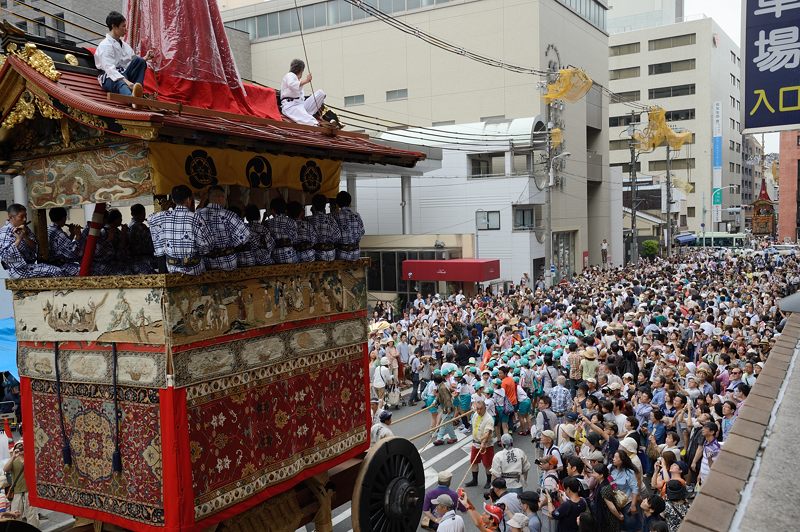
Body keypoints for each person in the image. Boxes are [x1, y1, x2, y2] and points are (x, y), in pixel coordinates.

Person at [94, 11, 153, 97]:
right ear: (114, 26)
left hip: (124, 74)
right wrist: (128, 82)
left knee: (140, 61)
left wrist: (145, 58)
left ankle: (137, 90)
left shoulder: (125, 46)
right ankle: (132, 98)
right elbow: (110, 70)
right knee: (120, 83)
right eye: (123, 26)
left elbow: (132, 62)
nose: (126, 29)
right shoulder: (105, 45)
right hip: (109, 78)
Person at [0, 204, 65, 278]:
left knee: (56, 269)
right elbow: (6, 256)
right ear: (11, 217)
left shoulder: (25, 228)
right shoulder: (4, 232)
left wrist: (25, 236)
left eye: (25, 216)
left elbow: (35, 247)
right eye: (21, 217)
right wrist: (18, 239)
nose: (24, 219)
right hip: (18, 270)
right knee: (56, 271)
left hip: (29, 266)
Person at [196, 186, 251, 271]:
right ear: (221, 198)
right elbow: (246, 235)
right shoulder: (229, 215)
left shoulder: (197, 215)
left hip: (205, 263)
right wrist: (231, 245)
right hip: (227, 263)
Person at [161, 185, 213, 275]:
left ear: (173, 200)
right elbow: (206, 245)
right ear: (189, 200)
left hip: (172, 268)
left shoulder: (162, 218)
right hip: (194, 269)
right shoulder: (195, 218)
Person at [280, 59, 327, 126]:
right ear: (301, 70)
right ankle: (318, 125)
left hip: (301, 105)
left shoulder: (299, 80)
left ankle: (307, 114)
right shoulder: (290, 75)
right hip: (291, 106)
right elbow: (292, 85)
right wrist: (306, 81)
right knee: (311, 121)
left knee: (321, 93)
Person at [3, 440, 38, 528]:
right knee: (15, 516)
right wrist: (13, 457)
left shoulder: (29, 458)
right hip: (17, 493)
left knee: (32, 516)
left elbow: (32, 470)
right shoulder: (13, 461)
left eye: (22, 447)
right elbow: (5, 469)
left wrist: (23, 457)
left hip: (29, 492)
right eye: (18, 448)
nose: (20, 449)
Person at [466, 396, 495, 489]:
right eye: (477, 409)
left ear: (485, 408)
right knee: (473, 462)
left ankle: (489, 481)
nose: (478, 411)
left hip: (486, 445)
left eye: (480, 409)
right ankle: (474, 480)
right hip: (475, 443)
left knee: (487, 464)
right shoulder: (475, 415)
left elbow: (487, 433)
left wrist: (483, 442)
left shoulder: (489, 419)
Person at [46, 207, 82, 275]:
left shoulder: (49, 228)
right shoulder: (58, 233)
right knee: (82, 270)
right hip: (58, 265)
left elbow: (64, 246)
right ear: (63, 218)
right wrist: (78, 236)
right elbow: (71, 254)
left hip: (52, 263)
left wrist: (72, 234)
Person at [307, 193, 341, 261]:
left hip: (315, 255)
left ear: (313, 206)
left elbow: (308, 239)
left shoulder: (309, 220)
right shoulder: (331, 219)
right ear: (325, 206)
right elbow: (338, 236)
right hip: (331, 255)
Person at [264, 197, 298, 264]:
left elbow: (267, 241)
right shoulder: (291, 221)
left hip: (276, 257)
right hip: (291, 256)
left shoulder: (268, 223)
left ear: (273, 210)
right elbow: (295, 238)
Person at [333, 191, 365, 260]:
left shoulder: (335, 215)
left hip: (342, 253)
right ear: (350, 203)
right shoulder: (357, 215)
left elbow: (334, 235)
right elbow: (362, 232)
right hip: (356, 253)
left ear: (337, 204)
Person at [128, 203, 156, 274]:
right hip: (141, 256)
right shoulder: (138, 226)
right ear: (140, 214)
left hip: (139, 255)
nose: (144, 216)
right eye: (144, 213)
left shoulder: (132, 224)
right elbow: (150, 239)